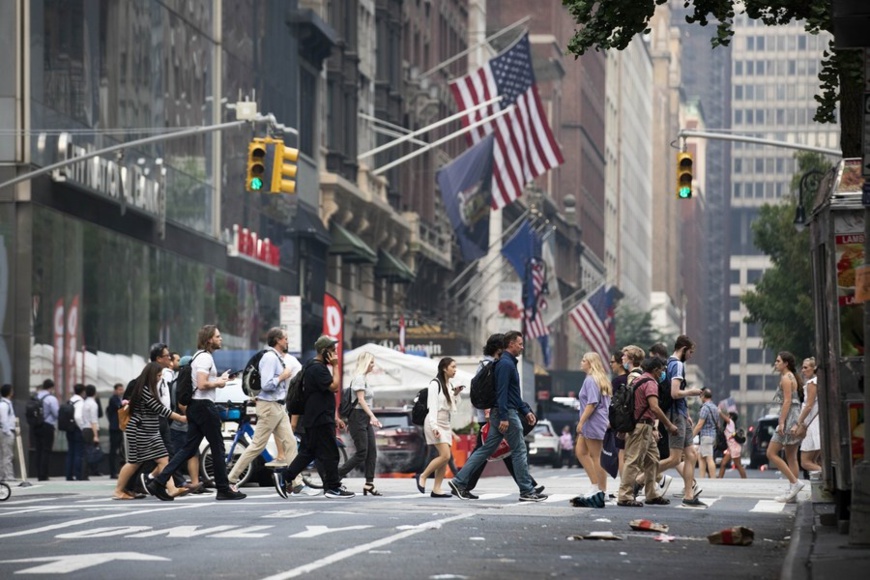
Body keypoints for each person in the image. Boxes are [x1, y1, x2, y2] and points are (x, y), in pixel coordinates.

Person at [146, 325, 246, 501]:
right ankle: (223, 489)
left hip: (195, 407)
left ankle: (159, 482)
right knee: (218, 447)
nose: (220, 339)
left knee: (188, 448)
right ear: (209, 339)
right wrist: (219, 383)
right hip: (204, 407)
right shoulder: (205, 358)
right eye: (218, 336)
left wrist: (219, 379)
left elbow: (201, 383)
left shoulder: (198, 357)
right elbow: (201, 384)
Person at [448, 331, 547, 502]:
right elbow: (502, 393)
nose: (522, 347)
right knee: (519, 450)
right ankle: (526, 490)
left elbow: (513, 393)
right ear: (510, 344)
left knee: (485, 450)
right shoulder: (505, 364)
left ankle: (459, 481)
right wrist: (504, 417)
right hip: (505, 412)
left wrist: (526, 411)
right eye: (520, 344)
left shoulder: (506, 363)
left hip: (503, 412)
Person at [230, 328, 305, 493]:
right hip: (269, 406)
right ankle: (231, 479)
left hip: (278, 406)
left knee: (290, 442)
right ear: (278, 340)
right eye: (285, 338)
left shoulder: (277, 358)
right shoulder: (270, 358)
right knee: (257, 445)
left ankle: (296, 481)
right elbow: (266, 385)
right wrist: (282, 376)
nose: (287, 341)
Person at [279, 335, 354, 499]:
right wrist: (335, 366)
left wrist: (334, 417)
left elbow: (323, 395)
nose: (335, 353)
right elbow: (334, 387)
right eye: (332, 350)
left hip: (316, 417)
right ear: (324, 351)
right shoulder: (317, 368)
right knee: (331, 453)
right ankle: (333, 488)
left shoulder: (311, 367)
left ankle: (285, 477)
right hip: (320, 418)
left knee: (308, 452)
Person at [113, 362, 189, 500]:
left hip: (148, 430)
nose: (160, 378)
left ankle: (171, 488)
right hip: (140, 430)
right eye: (159, 375)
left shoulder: (146, 388)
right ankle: (118, 491)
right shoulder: (144, 390)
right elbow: (160, 409)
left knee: (162, 459)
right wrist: (181, 418)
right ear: (151, 375)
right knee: (134, 462)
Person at [617, 357, 679, 507]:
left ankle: (652, 494)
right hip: (642, 427)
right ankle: (624, 496)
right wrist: (669, 425)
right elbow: (654, 408)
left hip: (644, 426)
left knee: (653, 459)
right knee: (633, 461)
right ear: (656, 369)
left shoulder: (637, 380)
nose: (663, 373)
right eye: (662, 370)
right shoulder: (650, 383)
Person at [657, 335, 704, 506]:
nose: (691, 355)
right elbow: (675, 393)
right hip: (676, 414)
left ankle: (689, 495)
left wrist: (688, 414)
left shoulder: (670, 363)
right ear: (683, 349)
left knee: (691, 454)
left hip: (681, 413)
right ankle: (641, 478)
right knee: (675, 459)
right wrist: (692, 392)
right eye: (690, 352)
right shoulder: (677, 365)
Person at [416, 358, 463, 498]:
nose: (455, 370)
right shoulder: (434, 384)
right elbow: (432, 407)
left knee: (444, 457)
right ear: (444, 368)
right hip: (434, 421)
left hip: (445, 423)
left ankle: (437, 489)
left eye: (456, 367)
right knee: (446, 455)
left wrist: (455, 394)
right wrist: (434, 426)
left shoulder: (449, 385)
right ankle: (422, 476)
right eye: (453, 367)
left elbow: (452, 407)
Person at [338, 351, 383, 495]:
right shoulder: (358, 378)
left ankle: (369, 484)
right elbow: (361, 400)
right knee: (362, 452)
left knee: (372, 451)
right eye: (371, 362)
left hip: (363, 417)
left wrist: (369, 417)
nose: (373, 365)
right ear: (365, 362)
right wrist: (372, 416)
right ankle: (336, 475)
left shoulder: (364, 379)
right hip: (358, 417)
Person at [571, 352, 612, 508]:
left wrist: (581, 422)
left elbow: (592, 403)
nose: (581, 363)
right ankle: (596, 486)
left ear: (590, 363)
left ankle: (601, 490)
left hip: (593, 422)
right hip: (595, 421)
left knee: (596, 456)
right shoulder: (599, 379)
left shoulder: (590, 380)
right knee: (580, 451)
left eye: (584, 360)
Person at [769, 351, 806, 502]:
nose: (775, 364)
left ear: (786, 363)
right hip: (795, 415)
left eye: (778, 361)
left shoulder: (786, 378)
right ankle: (793, 493)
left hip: (789, 417)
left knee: (771, 453)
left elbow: (787, 401)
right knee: (791, 457)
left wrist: (781, 422)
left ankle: (795, 483)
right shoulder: (792, 376)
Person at [168, 355, 204, 493]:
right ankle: (164, 480)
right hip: (179, 425)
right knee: (176, 455)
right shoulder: (179, 383)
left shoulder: (185, 381)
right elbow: (182, 405)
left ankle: (195, 483)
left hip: (187, 425)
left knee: (193, 453)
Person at [794, 357, 821, 474]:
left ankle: (827, 476)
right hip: (817, 423)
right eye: (802, 367)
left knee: (805, 462)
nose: (803, 370)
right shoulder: (819, 381)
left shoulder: (812, 383)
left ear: (814, 368)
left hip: (811, 426)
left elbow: (809, 405)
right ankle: (820, 488)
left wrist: (798, 422)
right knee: (813, 460)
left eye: (806, 367)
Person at [692, 389, 725, 479]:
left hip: (706, 435)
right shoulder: (715, 407)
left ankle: (713, 479)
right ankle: (702, 478)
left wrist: (691, 436)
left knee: (709, 458)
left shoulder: (705, 408)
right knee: (701, 456)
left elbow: (699, 424)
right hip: (712, 435)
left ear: (703, 396)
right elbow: (718, 424)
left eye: (701, 396)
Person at [33, 379, 58, 480]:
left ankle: (38, 473)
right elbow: (56, 413)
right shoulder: (51, 398)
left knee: (38, 450)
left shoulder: (36, 396)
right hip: (47, 425)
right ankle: (44, 474)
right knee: (46, 450)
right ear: (51, 388)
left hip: (36, 426)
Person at [609, 350, 629, 475]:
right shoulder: (632, 378)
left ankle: (624, 486)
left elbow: (614, 405)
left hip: (621, 422)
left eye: (612, 362)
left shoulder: (617, 382)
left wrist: (612, 422)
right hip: (632, 421)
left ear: (620, 363)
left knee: (622, 454)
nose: (611, 364)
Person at [65, 384, 88, 481]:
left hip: (69, 429)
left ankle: (69, 475)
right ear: (83, 391)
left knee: (71, 452)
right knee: (78, 453)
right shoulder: (80, 402)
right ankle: (78, 475)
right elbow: (78, 417)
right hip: (76, 429)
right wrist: (82, 427)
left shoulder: (71, 400)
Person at [717, 412, 747, 479]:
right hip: (730, 448)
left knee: (738, 465)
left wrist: (719, 412)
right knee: (723, 463)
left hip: (734, 447)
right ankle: (719, 479)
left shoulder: (730, 423)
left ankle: (745, 479)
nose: (727, 417)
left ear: (731, 417)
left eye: (728, 415)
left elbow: (725, 418)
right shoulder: (729, 425)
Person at [82, 384, 101, 477]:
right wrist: (96, 435)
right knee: (91, 451)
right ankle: (86, 473)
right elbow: (93, 420)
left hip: (85, 428)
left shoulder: (84, 402)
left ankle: (83, 473)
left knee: (85, 451)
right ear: (94, 392)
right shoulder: (93, 404)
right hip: (91, 429)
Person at [106, 383, 124, 479]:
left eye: (122, 389)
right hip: (114, 428)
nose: (121, 391)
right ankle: (112, 472)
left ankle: (119, 470)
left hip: (119, 427)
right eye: (119, 389)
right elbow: (119, 407)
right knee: (113, 450)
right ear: (115, 390)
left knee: (120, 450)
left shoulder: (120, 399)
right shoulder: (113, 399)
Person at [0, 384, 16, 481]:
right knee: (8, 455)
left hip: (3, 430)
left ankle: (2, 475)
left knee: (2, 455)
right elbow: (4, 419)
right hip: (5, 431)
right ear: (9, 392)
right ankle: (8, 476)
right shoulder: (5, 405)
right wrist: (8, 432)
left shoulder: (5, 404)